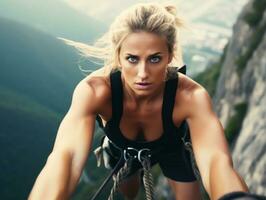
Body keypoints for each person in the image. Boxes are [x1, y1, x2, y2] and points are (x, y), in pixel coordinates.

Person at [28, 2, 256, 200]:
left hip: (172, 148)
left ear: (170, 56)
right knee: (129, 192)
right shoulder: (94, 91)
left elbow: (216, 161)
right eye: (132, 59)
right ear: (118, 56)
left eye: (155, 59)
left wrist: (235, 198)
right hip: (122, 149)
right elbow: (65, 157)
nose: (143, 73)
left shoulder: (190, 97)